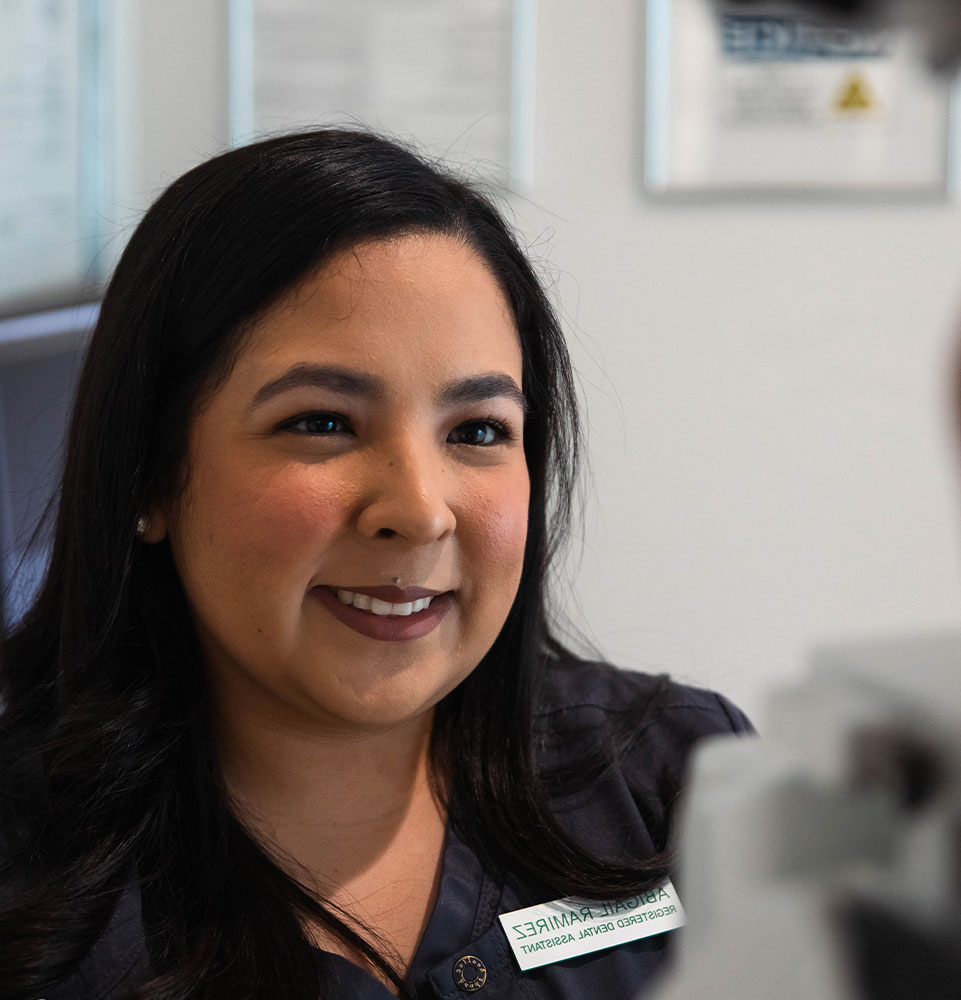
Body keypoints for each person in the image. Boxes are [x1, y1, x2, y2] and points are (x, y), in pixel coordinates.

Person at [0, 129, 751, 1000]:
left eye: (476, 432)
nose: (419, 509)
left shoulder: (677, 776)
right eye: (322, 422)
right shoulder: (31, 883)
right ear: (152, 475)